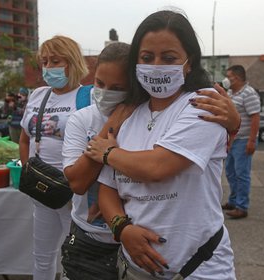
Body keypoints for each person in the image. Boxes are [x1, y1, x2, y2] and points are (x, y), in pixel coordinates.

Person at [85, 10, 235, 279]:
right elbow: (107, 189)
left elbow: (158, 166)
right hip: (134, 269)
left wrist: (107, 151)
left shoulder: (204, 104)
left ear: (189, 63)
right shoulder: (128, 116)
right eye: (146, 58)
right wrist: (122, 229)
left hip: (199, 269)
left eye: (168, 58)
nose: (156, 66)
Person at [18, 35, 89, 280]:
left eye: (55, 61)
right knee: (42, 254)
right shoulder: (38, 95)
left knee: (76, 255)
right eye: (45, 61)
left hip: (74, 192)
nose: (48, 67)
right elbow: (25, 137)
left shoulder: (87, 96)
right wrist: (29, 170)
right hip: (42, 187)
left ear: (72, 62)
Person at [61, 42, 133, 280]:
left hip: (132, 239)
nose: (104, 92)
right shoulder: (81, 119)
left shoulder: (145, 116)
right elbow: (77, 183)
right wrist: (113, 123)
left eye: (116, 87)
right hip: (88, 238)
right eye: (100, 83)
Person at [221, 65, 261, 219]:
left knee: (242, 174)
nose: (226, 79)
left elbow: (255, 118)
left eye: (228, 76)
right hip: (233, 140)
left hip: (244, 140)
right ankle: (233, 201)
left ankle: (242, 207)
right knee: (230, 172)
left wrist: (252, 140)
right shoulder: (231, 93)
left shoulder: (249, 94)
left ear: (236, 78)